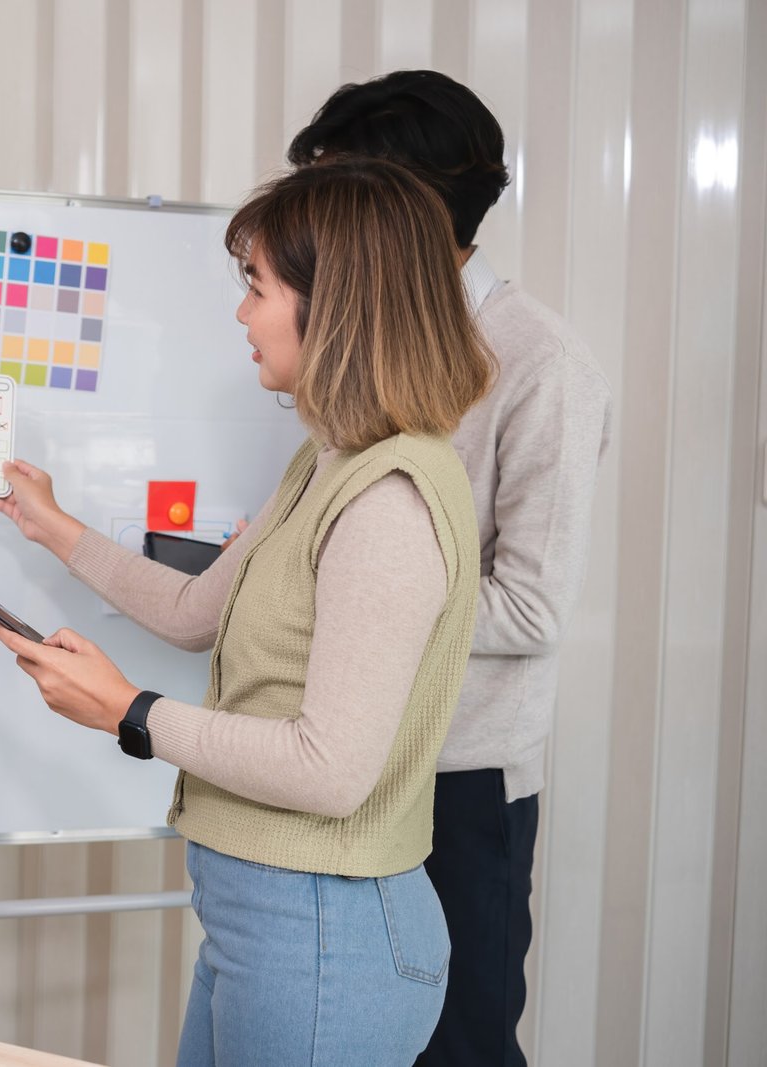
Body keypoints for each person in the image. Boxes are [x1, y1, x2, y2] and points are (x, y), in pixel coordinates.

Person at [0, 158, 494, 1065]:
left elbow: (330, 770)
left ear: (334, 305)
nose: (241, 315)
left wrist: (130, 712)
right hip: (266, 918)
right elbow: (193, 611)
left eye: (257, 288)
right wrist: (53, 527)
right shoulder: (328, 460)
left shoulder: (389, 501)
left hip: (324, 935)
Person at [288, 71, 612, 1067]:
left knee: (456, 1046)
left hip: (458, 784)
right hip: (338, 758)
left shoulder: (543, 363)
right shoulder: (354, 336)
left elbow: (531, 606)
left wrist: (354, 604)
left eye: (339, 197)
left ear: (410, 211)